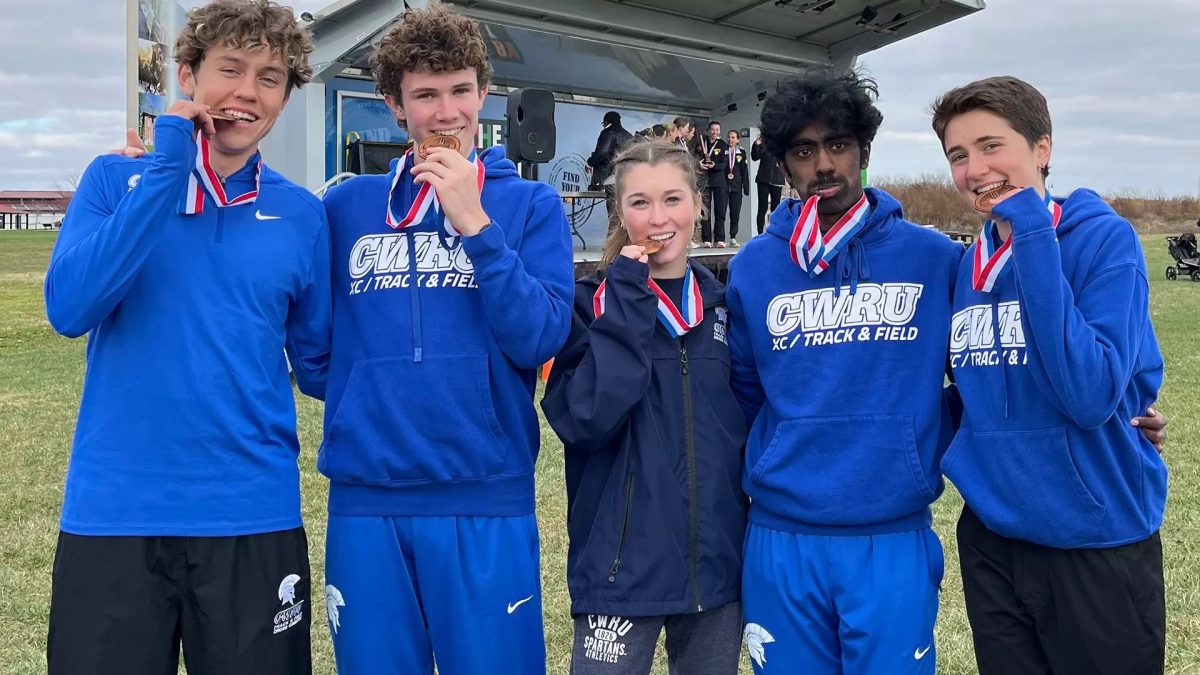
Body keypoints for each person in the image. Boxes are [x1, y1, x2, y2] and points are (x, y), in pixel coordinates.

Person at [43, 1, 328, 673]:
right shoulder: (115, 181)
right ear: (188, 74)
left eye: (269, 77)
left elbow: (321, 366)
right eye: (230, 69)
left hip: (251, 516)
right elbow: (71, 306)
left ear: (285, 96)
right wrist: (166, 170)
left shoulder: (301, 214)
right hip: (115, 514)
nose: (246, 93)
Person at [317, 5, 574, 674]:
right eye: (425, 95)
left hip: (485, 494)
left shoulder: (528, 207)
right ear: (395, 105)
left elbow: (540, 335)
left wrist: (476, 226)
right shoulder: (345, 208)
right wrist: (364, 391)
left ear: (483, 93)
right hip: (368, 501)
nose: (446, 111)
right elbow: (316, 348)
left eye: (460, 89)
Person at [726, 69, 963, 675]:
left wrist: (1124, 417)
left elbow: (988, 369)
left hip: (889, 536)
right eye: (804, 151)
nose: (824, 164)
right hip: (782, 537)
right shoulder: (753, 266)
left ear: (863, 152)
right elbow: (747, 393)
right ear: (782, 164)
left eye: (838, 145)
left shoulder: (935, 259)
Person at [931, 76, 1168, 675]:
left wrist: (1033, 231)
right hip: (993, 538)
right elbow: (977, 390)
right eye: (958, 155)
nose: (975, 169)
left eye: (991, 145)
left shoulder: (1102, 240)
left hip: (1094, 540)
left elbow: (1090, 394)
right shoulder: (968, 265)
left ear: (1042, 148)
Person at [542, 139, 747, 675]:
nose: (658, 218)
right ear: (619, 210)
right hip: (619, 570)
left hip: (715, 570)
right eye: (639, 202)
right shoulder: (588, 305)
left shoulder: (724, 306)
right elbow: (585, 419)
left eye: (673, 199)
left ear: (699, 205)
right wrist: (630, 301)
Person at [588, 110, 634, 229]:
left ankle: (611, 246)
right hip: (627, 178)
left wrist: (590, 161)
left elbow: (602, 153)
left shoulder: (608, 133)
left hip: (611, 178)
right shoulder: (629, 136)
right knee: (624, 215)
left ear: (607, 121)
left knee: (614, 215)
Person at [698, 121, 728, 247]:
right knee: (705, 211)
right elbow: (696, 157)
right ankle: (706, 240)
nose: (715, 132)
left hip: (719, 181)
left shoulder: (723, 145)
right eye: (713, 130)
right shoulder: (701, 142)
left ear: (720, 131)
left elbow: (724, 164)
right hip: (705, 181)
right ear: (709, 130)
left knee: (720, 210)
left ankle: (720, 239)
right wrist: (699, 164)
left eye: (717, 130)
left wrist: (715, 166)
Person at [751, 132, 785, 235]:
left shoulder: (781, 144)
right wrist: (757, 144)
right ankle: (760, 233)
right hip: (763, 179)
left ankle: (773, 232)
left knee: (775, 208)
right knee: (762, 207)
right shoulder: (763, 144)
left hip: (777, 179)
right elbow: (755, 157)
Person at [724, 129, 751, 246]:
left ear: (738, 140)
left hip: (736, 186)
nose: (730, 139)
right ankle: (720, 238)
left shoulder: (742, 152)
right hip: (723, 185)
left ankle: (733, 237)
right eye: (729, 137)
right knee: (722, 213)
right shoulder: (723, 150)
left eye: (733, 137)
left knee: (735, 213)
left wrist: (746, 187)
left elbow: (745, 171)